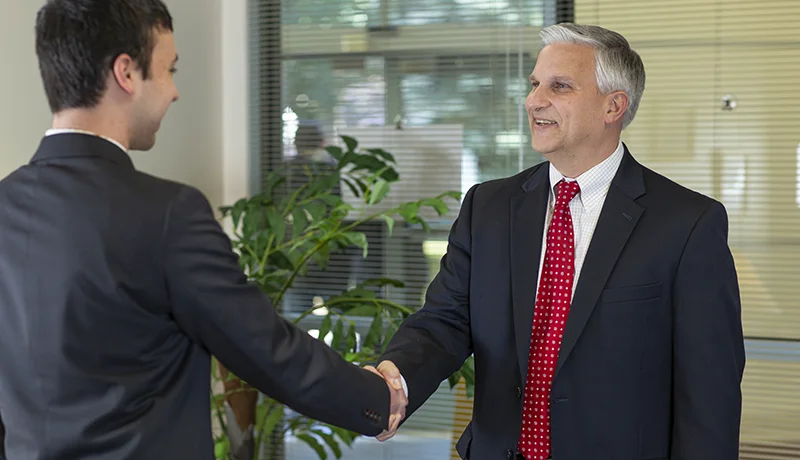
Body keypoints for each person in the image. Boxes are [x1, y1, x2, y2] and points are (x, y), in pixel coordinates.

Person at [0, 1, 405, 459]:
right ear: (126, 73)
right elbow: (263, 347)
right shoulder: (168, 213)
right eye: (169, 69)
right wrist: (375, 398)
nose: (174, 92)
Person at [372, 23, 746, 459]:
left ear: (614, 106)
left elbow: (709, 391)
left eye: (559, 86)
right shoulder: (487, 206)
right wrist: (394, 378)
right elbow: (445, 322)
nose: (534, 101)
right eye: (534, 85)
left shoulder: (687, 223)